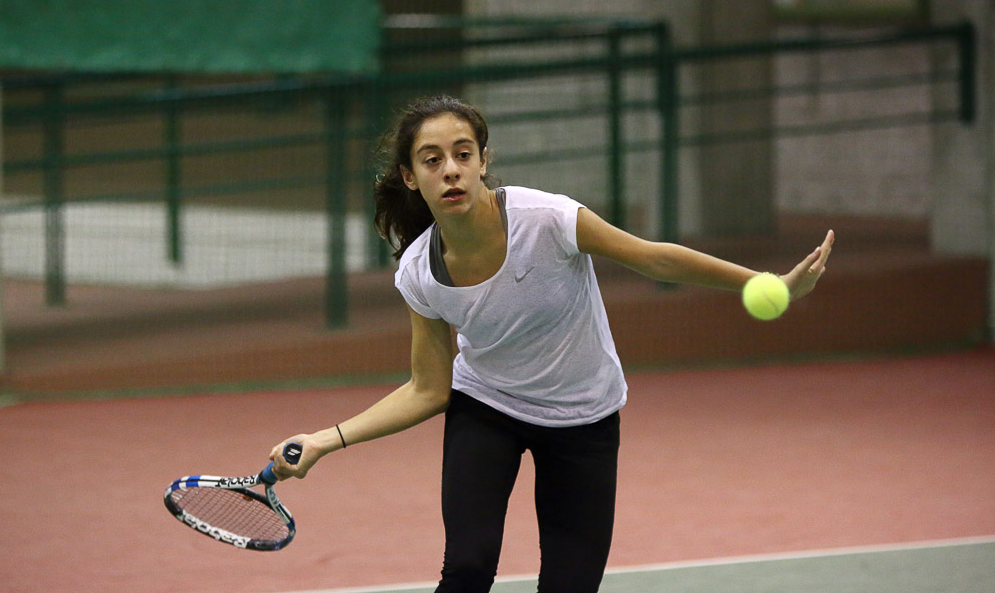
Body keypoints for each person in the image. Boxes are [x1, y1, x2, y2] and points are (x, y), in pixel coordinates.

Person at [269, 95, 834, 592]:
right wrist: (324, 440)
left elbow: (652, 257)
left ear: (483, 161)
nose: (451, 170)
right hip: (487, 408)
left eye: (463, 154)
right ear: (411, 176)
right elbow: (428, 388)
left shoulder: (547, 219)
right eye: (432, 159)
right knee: (467, 569)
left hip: (583, 417)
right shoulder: (419, 272)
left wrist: (766, 284)